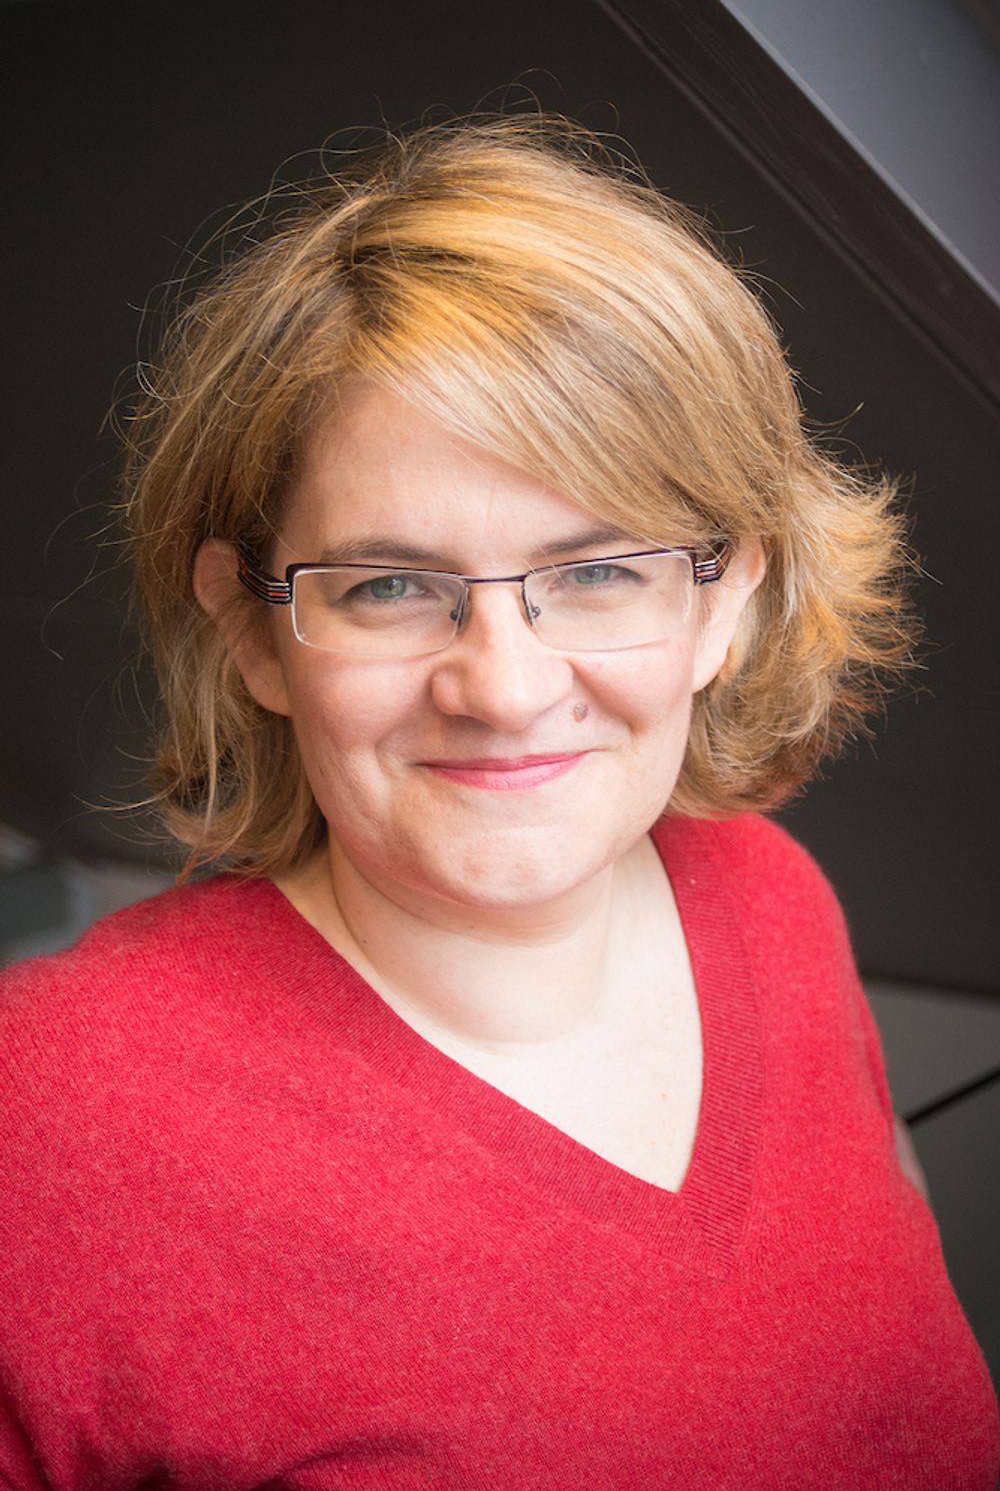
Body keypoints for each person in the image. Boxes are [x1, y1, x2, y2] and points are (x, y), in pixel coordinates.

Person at [0, 115, 996, 1490]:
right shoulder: (44, 1117)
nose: (506, 688)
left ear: (725, 600)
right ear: (251, 633)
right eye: (390, 586)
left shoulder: (772, 898)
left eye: (598, 572)